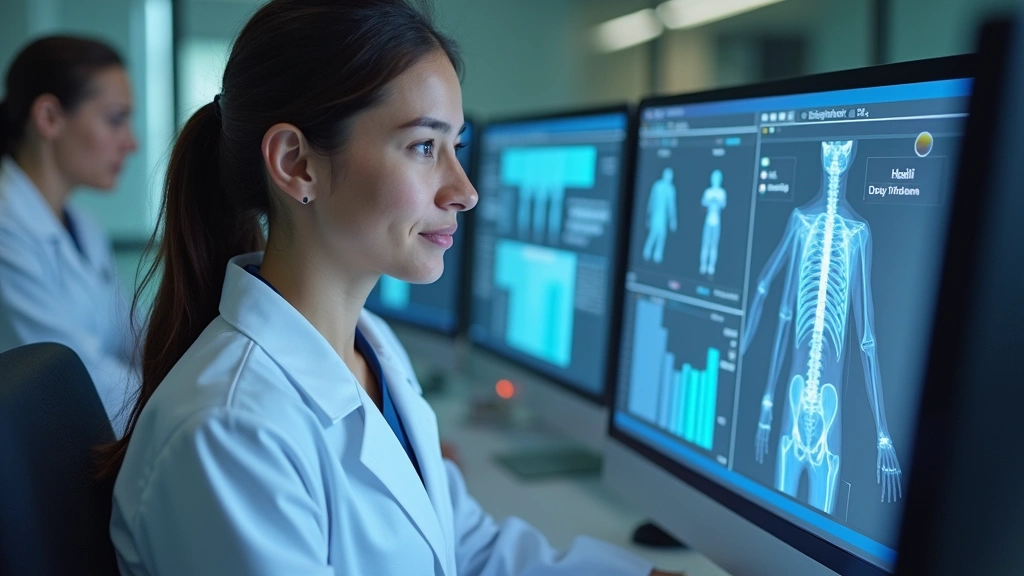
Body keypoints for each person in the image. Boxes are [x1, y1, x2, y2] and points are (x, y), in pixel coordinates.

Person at [95, 1, 681, 574]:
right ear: (297, 163)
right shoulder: (229, 435)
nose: (464, 190)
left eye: (457, 147)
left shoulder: (370, 348)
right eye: (424, 147)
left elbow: (465, 547)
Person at [0, 36, 140, 436]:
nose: (131, 142)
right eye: (115, 119)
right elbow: (69, 375)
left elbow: (128, 329)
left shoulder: (85, 227)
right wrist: (173, 402)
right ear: (49, 117)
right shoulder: (6, 228)